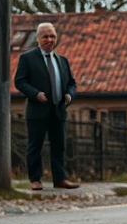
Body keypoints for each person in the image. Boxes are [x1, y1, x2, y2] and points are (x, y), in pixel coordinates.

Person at [14, 23, 79, 190]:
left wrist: (69, 94)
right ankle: (35, 179)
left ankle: (60, 179)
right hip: (37, 110)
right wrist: (35, 94)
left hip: (58, 109)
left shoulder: (62, 61)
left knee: (59, 145)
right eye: (45, 37)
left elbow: (72, 83)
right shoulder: (28, 58)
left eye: (52, 36)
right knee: (35, 145)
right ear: (38, 39)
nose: (49, 40)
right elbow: (20, 82)